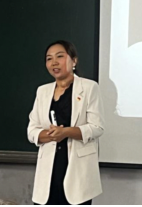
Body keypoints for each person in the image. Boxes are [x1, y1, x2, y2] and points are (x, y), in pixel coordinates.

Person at [28, 41, 105, 206]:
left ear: (74, 60)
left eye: (60, 57)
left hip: (77, 171)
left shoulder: (89, 87)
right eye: (49, 59)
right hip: (48, 171)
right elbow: (32, 130)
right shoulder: (42, 91)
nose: (54, 62)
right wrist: (50, 135)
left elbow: (97, 127)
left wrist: (66, 132)